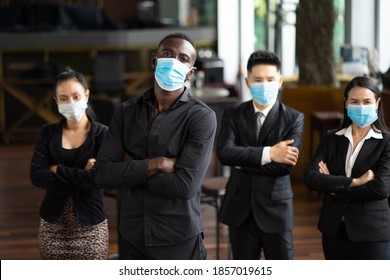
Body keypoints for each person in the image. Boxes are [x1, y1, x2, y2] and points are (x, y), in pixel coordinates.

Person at [95, 32, 217, 260]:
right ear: (154, 60)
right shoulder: (125, 112)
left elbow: (184, 186)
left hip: (178, 237)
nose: (173, 62)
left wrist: (132, 167)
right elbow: (102, 175)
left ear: (190, 73)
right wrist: (157, 164)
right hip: (132, 234)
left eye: (183, 59)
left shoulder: (201, 117)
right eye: (167, 54)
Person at [216, 50, 304, 260]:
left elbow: (285, 166)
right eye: (258, 80)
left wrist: (241, 160)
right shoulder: (233, 114)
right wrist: (270, 153)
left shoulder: (293, 118)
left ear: (280, 81)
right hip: (240, 209)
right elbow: (225, 154)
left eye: (270, 79)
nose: (264, 85)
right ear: (247, 82)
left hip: (277, 210)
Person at [304, 76, 390, 260]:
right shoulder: (331, 138)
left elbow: (381, 188)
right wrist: (355, 182)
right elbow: (310, 177)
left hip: (371, 233)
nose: (361, 106)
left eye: (367, 101)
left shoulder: (387, 143)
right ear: (346, 103)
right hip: (333, 229)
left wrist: (333, 187)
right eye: (354, 101)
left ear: (377, 103)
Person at [30, 69, 109, 259]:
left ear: (86, 95)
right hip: (52, 226)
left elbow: (99, 179)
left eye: (76, 96)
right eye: (64, 98)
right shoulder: (47, 133)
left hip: (91, 226)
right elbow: (36, 175)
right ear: (56, 101)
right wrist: (83, 174)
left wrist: (57, 169)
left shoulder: (103, 134)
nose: (71, 103)